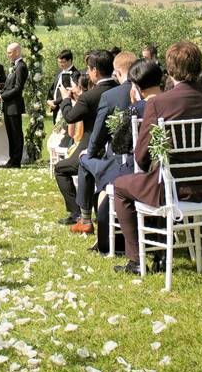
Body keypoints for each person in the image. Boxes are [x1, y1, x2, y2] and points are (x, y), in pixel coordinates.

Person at [111, 42, 202, 275]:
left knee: (120, 186)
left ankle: (136, 261)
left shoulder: (158, 103)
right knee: (153, 182)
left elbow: (142, 158)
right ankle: (161, 256)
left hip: (170, 190)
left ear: (170, 69)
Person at [87, 59, 164, 255]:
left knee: (115, 185)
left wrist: (133, 105)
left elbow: (120, 145)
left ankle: (134, 256)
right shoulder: (173, 104)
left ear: (136, 86)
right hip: (178, 177)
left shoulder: (138, 109)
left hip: (148, 177)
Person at [71, 51, 137, 234]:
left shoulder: (111, 96)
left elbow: (99, 134)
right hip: (147, 165)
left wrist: (89, 153)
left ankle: (85, 219)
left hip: (120, 163)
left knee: (84, 161)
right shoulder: (148, 94)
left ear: (117, 71)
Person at [54, 50, 119, 226]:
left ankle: (77, 213)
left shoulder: (89, 96)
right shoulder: (120, 90)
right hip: (116, 151)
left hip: (91, 147)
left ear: (95, 71)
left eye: (89, 69)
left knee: (60, 169)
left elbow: (70, 117)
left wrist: (66, 99)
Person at [0, 43, 29, 167]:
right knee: (10, 134)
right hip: (8, 106)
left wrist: (2, 96)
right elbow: (10, 86)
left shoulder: (21, 67)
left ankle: (16, 160)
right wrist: (0, 90)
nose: (8, 55)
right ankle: (11, 159)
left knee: (16, 134)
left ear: (17, 52)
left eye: (10, 52)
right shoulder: (14, 66)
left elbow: (18, 88)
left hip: (14, 106)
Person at [47, 49, 81, 124]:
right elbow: (53, 88)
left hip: (65, 107)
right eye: (59, 62)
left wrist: (54, 102)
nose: (61, 64)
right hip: (55, 107)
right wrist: (49, 100)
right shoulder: (59, 72)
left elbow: (69, 92)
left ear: (70, 61)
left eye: (63, 62)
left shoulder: (75, 74)